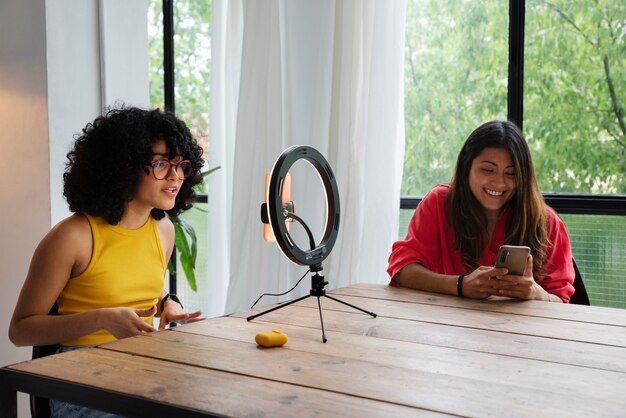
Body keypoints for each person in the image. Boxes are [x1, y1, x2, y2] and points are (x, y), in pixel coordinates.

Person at [8, 106, 206, 417]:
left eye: (181, 164)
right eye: (160, 164)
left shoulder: (163, 230)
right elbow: (20, 331)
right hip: (80, 380)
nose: (175, 176)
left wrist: (169, 304)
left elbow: (140, 293)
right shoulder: (73, 237)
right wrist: (101, 320)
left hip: (145, 367)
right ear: (123, 167)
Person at [388, 120, 575, 302]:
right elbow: (402, 270)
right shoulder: (439, 202)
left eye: (511, 173)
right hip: (448, 327)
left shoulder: (546, 221)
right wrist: (461, 285)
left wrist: (536, 293)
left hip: (520, 332)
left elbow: (560, 299)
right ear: (466, 167)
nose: (499, 183)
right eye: (487, 170)